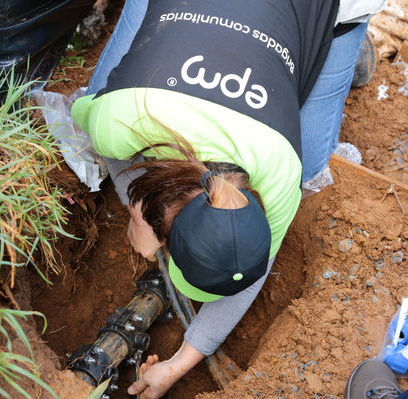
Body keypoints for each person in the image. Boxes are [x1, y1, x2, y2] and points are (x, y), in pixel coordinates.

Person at [70, 0, 385, 398]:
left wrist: (176, 365)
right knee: (98, 93)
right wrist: (137, 213)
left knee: (312, 168)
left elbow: (250, 275)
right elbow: (96, 129)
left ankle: (345, 42)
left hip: (319, 10)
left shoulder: (285, 171)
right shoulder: (122, 113)